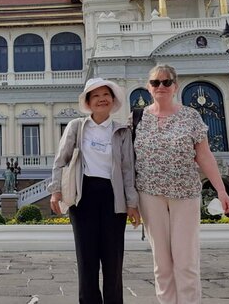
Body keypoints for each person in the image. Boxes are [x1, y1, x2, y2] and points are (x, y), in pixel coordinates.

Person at [133, 64, 229, 304]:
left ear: (175, 86)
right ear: (148, 87)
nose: (161, 86)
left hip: (185, 193)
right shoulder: (137, 118)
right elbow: (127, 160)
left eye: (166, 82)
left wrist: (221, 190)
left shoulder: (190, 116)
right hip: (150, 193)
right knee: (162, 262)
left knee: (185, 259)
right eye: (156, 82)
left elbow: (204, 155)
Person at [48, 78, 140, 304]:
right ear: (88, 102)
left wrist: (132, 202)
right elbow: (61, 160)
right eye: (95, 96)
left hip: (113, 196)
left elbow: (128, 169)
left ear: (113, 100)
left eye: (105, 95)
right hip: (83, 195)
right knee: (87, 258)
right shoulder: (77, 127)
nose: (101, 99)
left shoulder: (122, 132)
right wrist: (56, 190)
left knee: (113, 259)